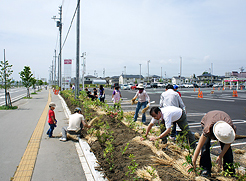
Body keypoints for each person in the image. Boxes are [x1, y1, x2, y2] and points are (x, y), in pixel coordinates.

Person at [187, 110, 236, 177]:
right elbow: (199, 146)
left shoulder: (230, 130)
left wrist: (221, 155)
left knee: (227, 150)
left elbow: (228, 144)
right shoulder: (208, 128)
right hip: (209, 118)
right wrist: (193, 162)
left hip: (222, 118)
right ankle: (205, 169)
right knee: (205, 146)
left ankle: (229, 170)